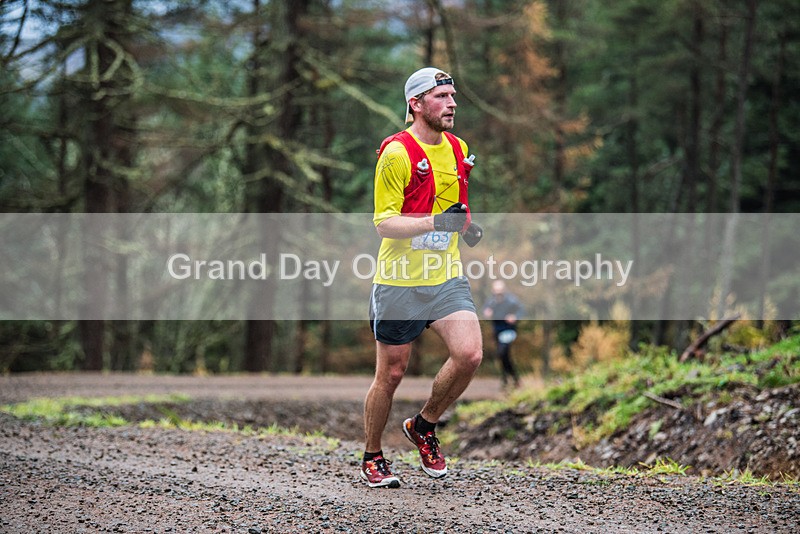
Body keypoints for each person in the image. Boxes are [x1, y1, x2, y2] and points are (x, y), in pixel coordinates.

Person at [361, 67, 484, 488]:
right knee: (391, 375)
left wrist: (464, 228)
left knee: (469, 355)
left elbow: (450, 208)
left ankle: (424, 425)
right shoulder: (397, 154)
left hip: (446, 275)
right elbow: (384, 224)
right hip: (398, 281)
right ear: (416, 104)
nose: (452, 104)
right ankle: (373, 454)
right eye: (441, 97)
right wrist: (436, 223)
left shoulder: (458, 147)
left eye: (453, 96)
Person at [482, 280, 524, 388]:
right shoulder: (492, 301)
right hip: (497, 331)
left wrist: (514, 317)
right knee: (504, 356)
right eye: (496, 291)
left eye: (500, 291)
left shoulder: (511, 301)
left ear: (503, 290)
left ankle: (508, 379)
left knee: (502, 352)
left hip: (508, 330)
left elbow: (521, 310)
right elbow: (485, 310)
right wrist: (487, 313)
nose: (498, 293)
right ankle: (512, 379)